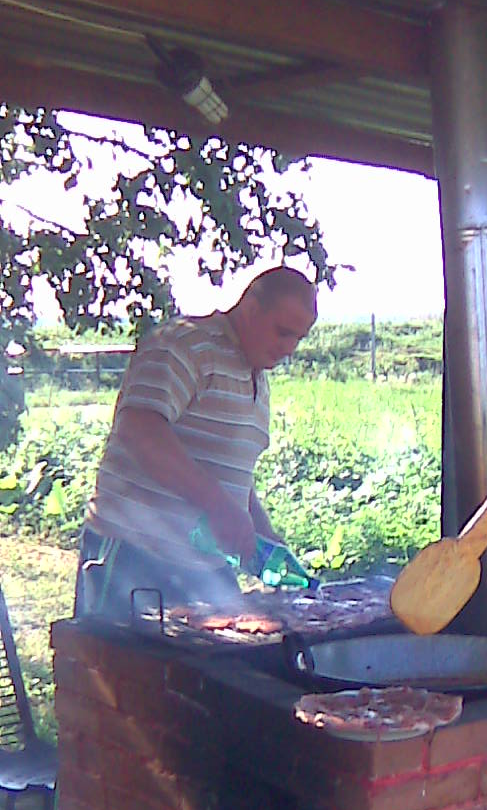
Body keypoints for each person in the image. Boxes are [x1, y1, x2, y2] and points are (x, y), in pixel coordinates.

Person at [75, 265, 318, 619]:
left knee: (222, 667)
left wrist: (265, 538)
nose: (289, 349)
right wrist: (217, 504)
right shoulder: (183, 345)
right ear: (250, 308)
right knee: (119, 669)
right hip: (135, 557)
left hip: (205, 567)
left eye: (298, 338)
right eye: (282, 332)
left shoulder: (256, 373)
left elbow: (233, 480)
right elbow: (140, 429)